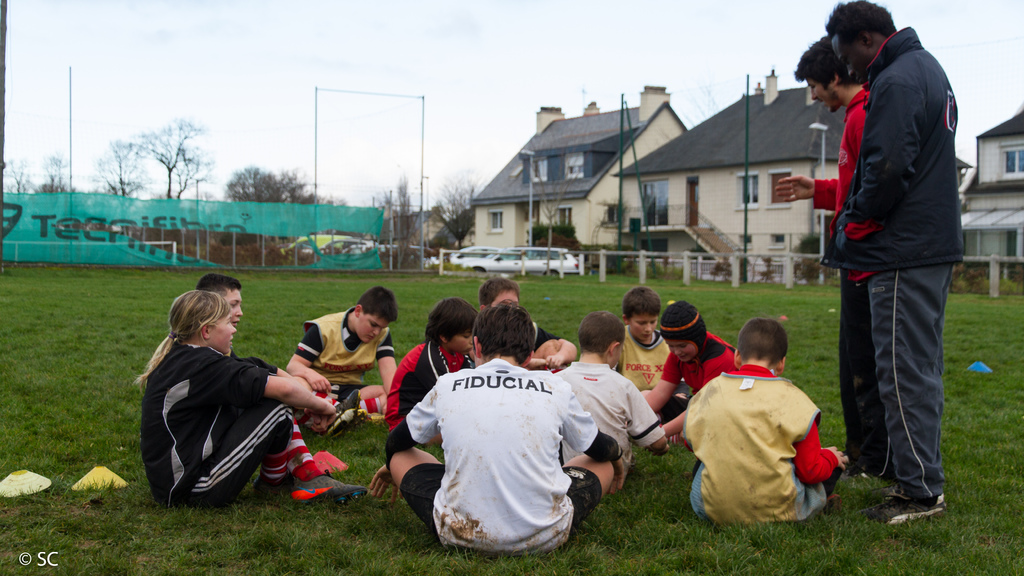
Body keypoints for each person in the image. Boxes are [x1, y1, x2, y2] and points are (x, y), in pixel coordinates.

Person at [825, 0, 960, 524]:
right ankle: (920, 477)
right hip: (926, 245)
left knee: (902, 372)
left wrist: (854, 222)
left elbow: (886, 168)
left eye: (847, 57)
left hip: (904, 249)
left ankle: (920, 493)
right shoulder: (927, 69)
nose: (849, 69)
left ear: (866, 39)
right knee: (918, 369)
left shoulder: (898, 79)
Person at [368, 304, 624, 556]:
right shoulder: (555, 386)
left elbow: (397, 440)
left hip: (457, 533)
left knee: (401, 456)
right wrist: (616, 457)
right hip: (546, 535)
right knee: (602, 464)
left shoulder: (448, 384)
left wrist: (392, 464)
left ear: (477, 346)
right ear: (529, 355)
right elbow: (600, 448)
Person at [773, 38, 891, 480]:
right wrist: (820, 190)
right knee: (852, 361)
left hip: (864, 260)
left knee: (865, 365)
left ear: (835, 78)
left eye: (814, 86)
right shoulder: (854, 115)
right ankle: (864, 453)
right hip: (855, 257)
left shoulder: (864, 115)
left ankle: (875, 458)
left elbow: (875, 190)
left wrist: (850, 236)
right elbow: (854, 186)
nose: (813, 96)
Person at [138, 290, 367, 507]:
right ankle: (279, 481)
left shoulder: (186, 357)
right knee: (276, 405)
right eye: (228, 323)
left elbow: (259, 368)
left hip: (176, 484)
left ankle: (291, 477)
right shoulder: (203, 365)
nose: (234, 329)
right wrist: (324, 407)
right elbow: (285, 391)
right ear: (206, 331)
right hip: (193, 488)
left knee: (266, 396)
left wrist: (309, 402)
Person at [683, 318, 848, 525]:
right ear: (781, 364)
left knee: (705, 459)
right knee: (829, 463)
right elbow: (810, 471)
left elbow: (690, 443)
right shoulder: (797, 400)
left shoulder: (709, 391)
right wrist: (831, 458)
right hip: (780, 511)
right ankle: (816, 500)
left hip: (710, 510)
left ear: (737, 356)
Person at [196, 272, 360, 436]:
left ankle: (332, 413)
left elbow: (255, 370)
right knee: (278, 399)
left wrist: (307, 396)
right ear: (210, 306)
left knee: (295, 384)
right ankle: (330, 417)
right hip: (214, 436)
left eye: (240, 305)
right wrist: (311, 400)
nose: (240, 312)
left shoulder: (215, 343)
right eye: (233, 305)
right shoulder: (202, 355)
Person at [560, 311, 668, 484]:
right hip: (614, 476)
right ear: (614, 348)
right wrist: (662, 448)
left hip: (571, 472)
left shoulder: (557, 381)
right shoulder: (624, 385)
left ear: (581, 343)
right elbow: (657, 441)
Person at [287, 286, 398, 420]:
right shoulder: (324, 328)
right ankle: (343, 413)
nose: (376, 332)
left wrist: (395, 402)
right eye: (373, 324)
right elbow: (293, 366)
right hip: (319, 389)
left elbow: (390, 375)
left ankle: (330, 413)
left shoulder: (382, 335)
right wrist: (309, 374)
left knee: (387, 393)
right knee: (297, 384)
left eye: (382, 327)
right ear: (358, 311)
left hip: (352, 392)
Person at [644, 300, 735, 440]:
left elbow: (702, 407)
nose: (676, 351)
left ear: (697, 339)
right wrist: (631, 421)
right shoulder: (678, 355)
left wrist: (657, 434)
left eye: (682, 346)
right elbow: (661, 392)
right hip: (699, 404)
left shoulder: (719, 358)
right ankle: (658, 429)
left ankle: (667, 434)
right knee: (645, 396)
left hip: (723, 411)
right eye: (670, 345)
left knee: (691, 432)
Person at [385, 297, 477, 430]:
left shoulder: (458, 353)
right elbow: (448, 398)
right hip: (403, 422)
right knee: (463, 429)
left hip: (430, 416)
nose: (471, 341)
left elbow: (471, 386)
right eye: (466, 336)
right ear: (444, 336)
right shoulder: (429, 357)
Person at [477, 277, 577, 370]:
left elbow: (568, 345)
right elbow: (485, 365)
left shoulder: (523, 328)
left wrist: (559, 357)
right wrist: (532, 362)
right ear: (484, 309)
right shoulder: (479, 331)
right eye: (503, 305)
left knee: (552, 346)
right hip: (490, 376)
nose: (510, 309)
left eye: (514, 305)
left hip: (521, 375)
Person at [617, 286, 670, 392]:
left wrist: (680, 393)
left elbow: (680, 380)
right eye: (641, 323)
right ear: (626, 319)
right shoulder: (619, 340)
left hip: (662, 398)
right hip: (627, 397)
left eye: (653, 322)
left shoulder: (668, 343)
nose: (648, 329)